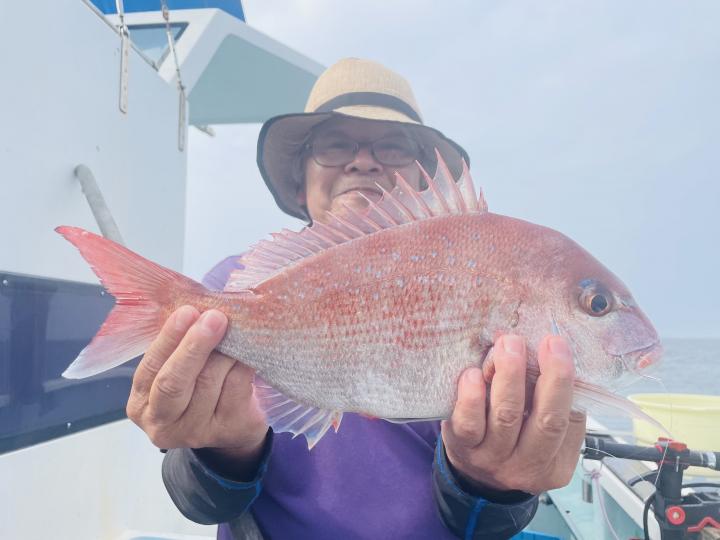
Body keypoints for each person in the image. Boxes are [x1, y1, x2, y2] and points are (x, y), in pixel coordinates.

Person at [126, 58, 586, 539]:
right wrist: (222, 452)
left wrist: (494, 483)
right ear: (300, 181)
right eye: (335, 144)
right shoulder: (233, 287)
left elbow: (483, 525)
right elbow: (198, 503)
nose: (363, 161)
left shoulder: (479, 284)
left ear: (426, 182)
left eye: (393, 146)